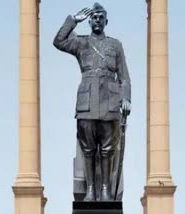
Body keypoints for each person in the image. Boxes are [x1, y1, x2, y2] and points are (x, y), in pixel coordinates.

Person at [53, 3, 131, 201]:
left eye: (100, 17)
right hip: (87, 102)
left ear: (106, 21)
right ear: (89, 21)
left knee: (107, 149)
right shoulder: (81, 43)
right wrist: (72, 21)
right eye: (94, 17)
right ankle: (90, 191)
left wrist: (126, 98)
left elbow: (124, 77)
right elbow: (59, 41)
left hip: (110, 101)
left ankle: (105, 190)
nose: (97, 20)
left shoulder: (116, 45)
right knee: (87, 148)